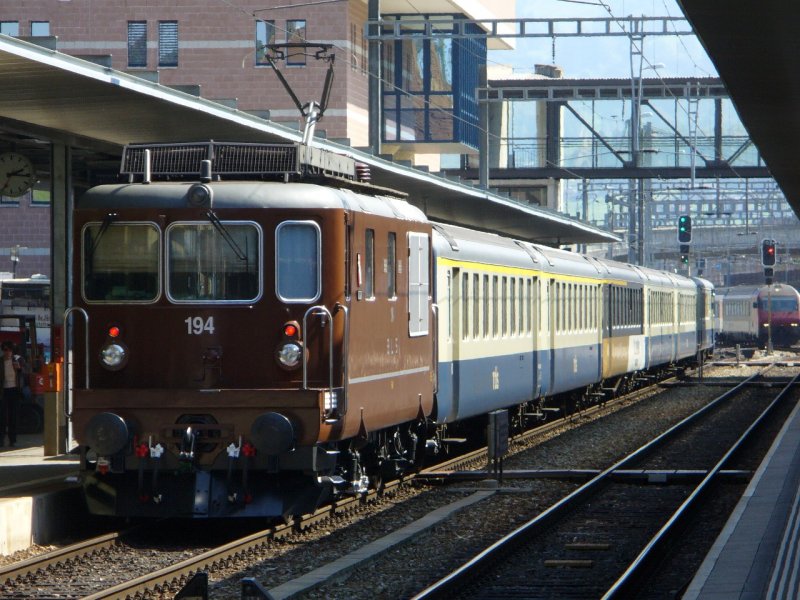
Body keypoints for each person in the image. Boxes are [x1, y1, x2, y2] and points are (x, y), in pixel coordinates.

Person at [0, 341, 29, 448]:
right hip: (3, 391)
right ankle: (1, 440)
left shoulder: (18, 359)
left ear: (12, 350)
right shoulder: (1, 361)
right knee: (2, 416)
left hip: (15, 390)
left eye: (9, 350)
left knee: (13, 416)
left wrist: (19, 369)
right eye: (5, 350)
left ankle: (13, 440)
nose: (7, 352)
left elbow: (27, 371)